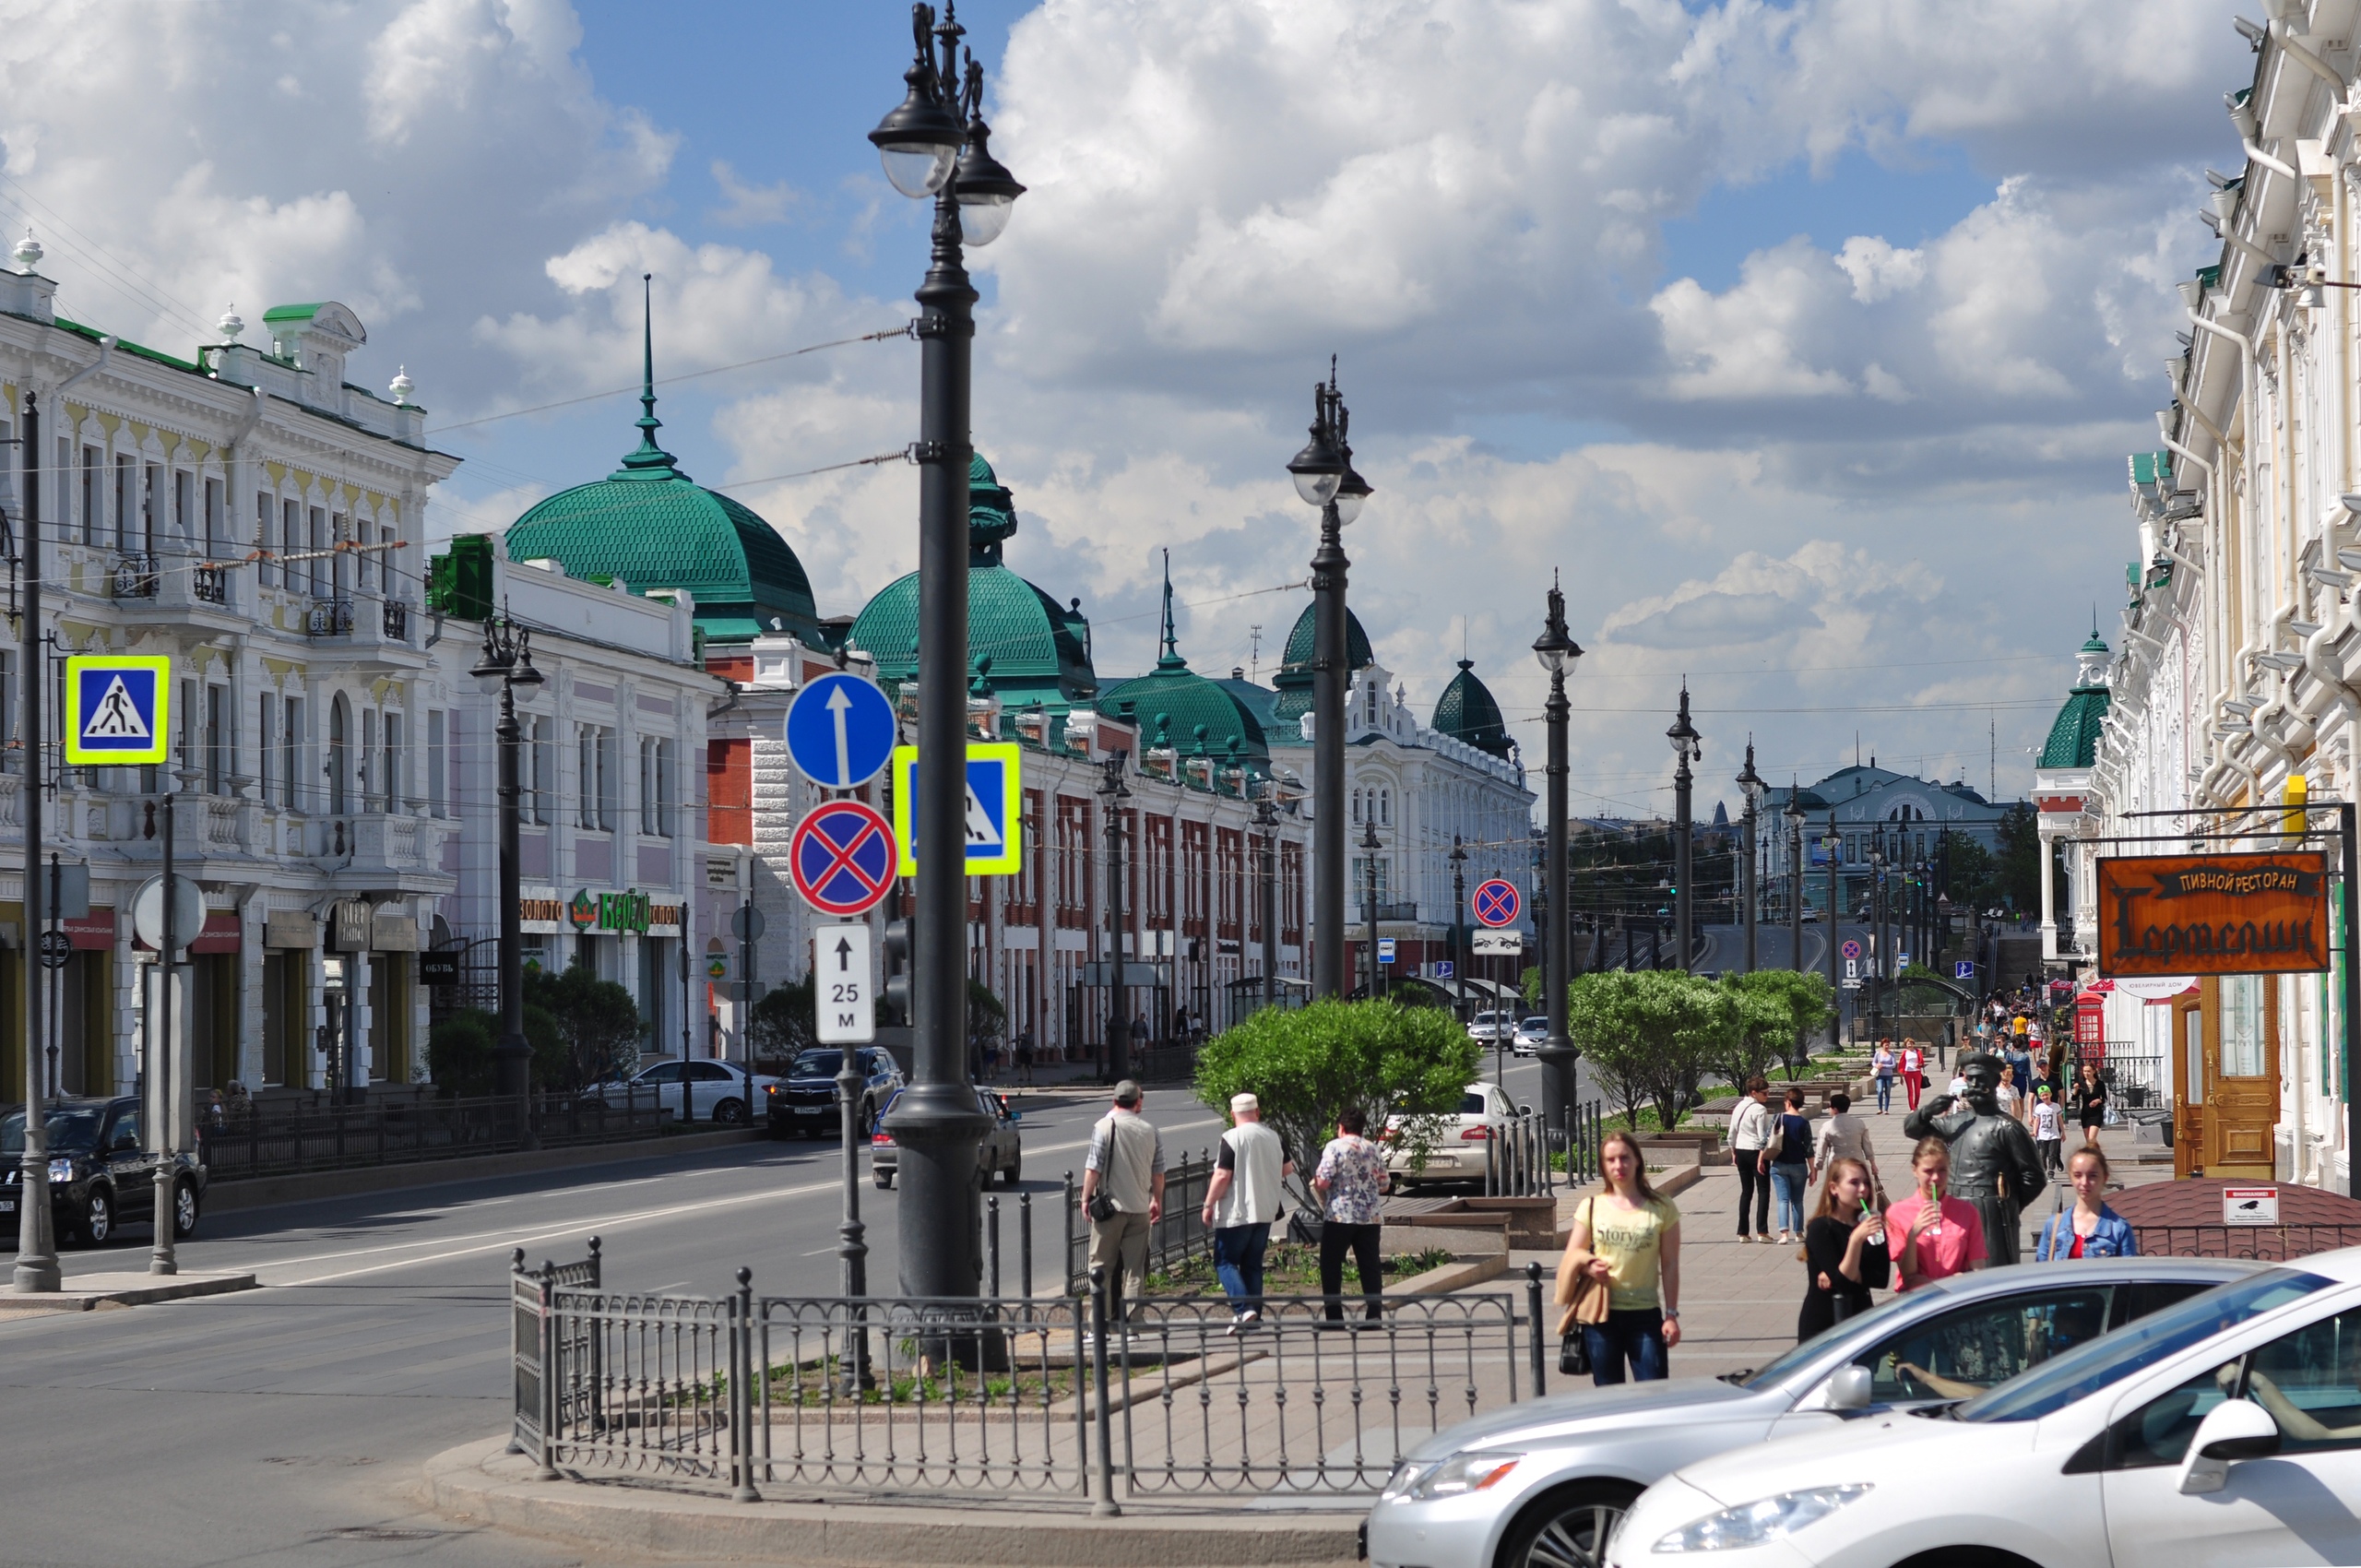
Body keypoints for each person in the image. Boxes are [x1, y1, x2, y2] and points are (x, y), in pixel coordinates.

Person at [1565, 1129, 1681, 1384]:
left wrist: (1671, 1314)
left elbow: (1670, 1264)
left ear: (1637, 1160)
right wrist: (1588, 1268)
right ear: (1603, 1166)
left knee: (1654, 1394)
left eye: (1625, 1158)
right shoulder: (1592, 1206)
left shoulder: (1662, 1207)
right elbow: (1572, 1254)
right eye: (1611, 1160)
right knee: (1610, 1398)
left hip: (1645, 1315)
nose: (1619, 1165)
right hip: (1601, 1316)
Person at [1202, 1093, 1292, 1329]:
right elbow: (1287, 1169)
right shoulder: (1273, 1136)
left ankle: (1243, 1309)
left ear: (1232, 1114)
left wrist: (1209, 1204)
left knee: (1225, 1261)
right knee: (1252, 1263)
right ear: (1257, 1112)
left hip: (1237, 1212)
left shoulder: (1232, 1137)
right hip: (1266, 1210)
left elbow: (1222, 1175)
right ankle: (1254, 1316)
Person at [1080, 1080, 1165, 1316]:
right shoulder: (1151, 1130)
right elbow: (1158, 1173)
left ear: (1114, 1100)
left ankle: (1099, 1323)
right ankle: (1133, 1323)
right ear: (1138, 1102)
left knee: (1101, 1267)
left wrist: (1086, 1198)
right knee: (1135, 1270)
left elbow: (1093, 1168)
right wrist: (1156, 1200)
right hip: (1140, 1210)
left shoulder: (1104, 1127)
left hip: (1110, 1210)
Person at [1312, 1107, 1390, 1324]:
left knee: (1331, 1264)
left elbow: (1324, 1181)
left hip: (1340, 1215)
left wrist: (1318, 1182)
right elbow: (1384, 1184)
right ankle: (1374, 1314)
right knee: (1370, 1265)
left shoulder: (1335, 1147)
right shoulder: (1373, 1149)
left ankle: (1335, 1317)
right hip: (1370, 1217)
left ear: (1341, 1127)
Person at [1797, 1157, 1889, 1340]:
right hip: (1824, 1325)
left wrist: (1851, 1274)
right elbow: (1843, 1283)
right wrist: (1855, 1240)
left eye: (1865, 1183)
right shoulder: (1821, 1227)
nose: (1863, 1189)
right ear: (1834, 1188)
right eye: (1854, 1183)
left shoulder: (1871, 1225)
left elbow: (1881, 1278)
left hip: (1861, 1319)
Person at [1885, 1136, 1986, 1289]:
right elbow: (1909, 1278)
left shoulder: (1967, 1212)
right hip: (1917, 1304)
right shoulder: (1898, 1213)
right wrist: (1912, 1234)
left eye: (1942, 1170)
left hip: (1956, 1300)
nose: (1936, 1178)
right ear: (1915, 1170)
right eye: (1928, 1171)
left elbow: (1978, 1269)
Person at [2035, 1146, 2139, 1261]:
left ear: (2105, 1178)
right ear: (2070, 1177)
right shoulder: (2054, 1226)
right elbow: (2041, 1272)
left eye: (2092, 1176)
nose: (2084, 1182)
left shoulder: (2119, 1228)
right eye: (2078, 1175)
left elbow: (2127, 1274)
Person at [1727, 1076, 1774, 1243]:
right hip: (1756, 1152)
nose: (1767, 1096)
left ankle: (1743, 1232)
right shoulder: (1760, 1110)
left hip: (1741, 1151)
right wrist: (1762, 1158)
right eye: (1764, 1093)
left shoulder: (1739, 1107)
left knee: (1746, 1192)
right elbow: (1764, 1137)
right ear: (1754, 1093)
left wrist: (1733, 1150)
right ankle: (1762, 1231)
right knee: (1763, 1191)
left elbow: (1732, 1132)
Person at [1763, 1088, 1813, 1246]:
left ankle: (1784, 1234)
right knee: (1797, 1201)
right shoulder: (1804, 1123)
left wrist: (1760, 1160)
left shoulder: (1778, 1118)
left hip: (1779, 1165)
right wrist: (1813, 1170)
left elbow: (1767, 1140)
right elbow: (1809, 1149)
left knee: (1782, 1200)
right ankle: (1799, 1233)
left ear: (1788, 1102)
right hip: (1799, 1165)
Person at [1812, 1091, 1880, 1199]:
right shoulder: (1859, 1123)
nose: (1828, 1109)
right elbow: (1867, 1146)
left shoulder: (1826, 1126)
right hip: (1857, 1164)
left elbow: (1821, 1151)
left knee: (1837, 1196)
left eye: (1829, 1106)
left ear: (1835, 1109)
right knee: (1858, 1195)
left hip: (1836, 1166)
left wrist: (1815, 1169)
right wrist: (1873, 1164)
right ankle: (1860, 1212)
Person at [2030, 1084, 2065, 1175]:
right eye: (2042, 1095)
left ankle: (2051, 1172)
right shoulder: (2039, 1107)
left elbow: (2060, 1119)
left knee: (2052, 1155)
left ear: (2050, 1094)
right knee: (2042, 1155)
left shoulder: (2056, 1106)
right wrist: (2034, 1131)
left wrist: (2063, 1132)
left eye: (2046, 1094)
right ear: (2040, 1097)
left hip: (2054, 1134)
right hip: (2042, 1134)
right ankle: (2043, 1168)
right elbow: (2037, 1120)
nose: (2045, 1097)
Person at [2072, 1063, 2108, 1148]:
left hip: (2096, 1114)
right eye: (2084, 1071)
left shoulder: (2100, 1084)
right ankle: (2097, 1155)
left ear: (2093, 1071)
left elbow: (2105, 1099)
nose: (2086, 1073)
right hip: (2085, 1114)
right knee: (2088, 1140)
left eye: (2088, 1071)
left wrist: (2098, 1100)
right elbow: (2074, 1098)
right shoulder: (2081, 1084)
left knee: (2092, 1138)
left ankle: (2096, 1157)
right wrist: (2076, 1089)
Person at [1871, 1041, 1898, 1115]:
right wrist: (1877, 1065)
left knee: (1887, 1092)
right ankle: (1880, 1108)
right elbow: (1873, 1062)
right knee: (1879, 1091)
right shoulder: (1878, 1053)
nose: (1887, 1046)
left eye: (1888, 1045)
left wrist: (1883, 1066)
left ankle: (1886, 1109)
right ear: (1882, 1045)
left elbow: (1893, 1065)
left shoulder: (1892, 1054)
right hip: (1880, 1075)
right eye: (1885, 1045)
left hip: (1888, 1075)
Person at [1899, 1039, 1926, 1111]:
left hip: (1917, 1072)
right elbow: (1901, 1064)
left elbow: (1922, 1061)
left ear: (1913, 1044)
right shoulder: (1905, 1053)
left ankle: (1916, 1105)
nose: (1910, 1045)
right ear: (1906, 1045)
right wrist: (1901, 1076)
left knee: (1917, 1091)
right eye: (1908, 1044)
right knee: (1910, 1091)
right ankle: (1912, 1108)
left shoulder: (1917, 1051)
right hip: (1908, 1072)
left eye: (1911, 1043)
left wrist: (1919, 1064)